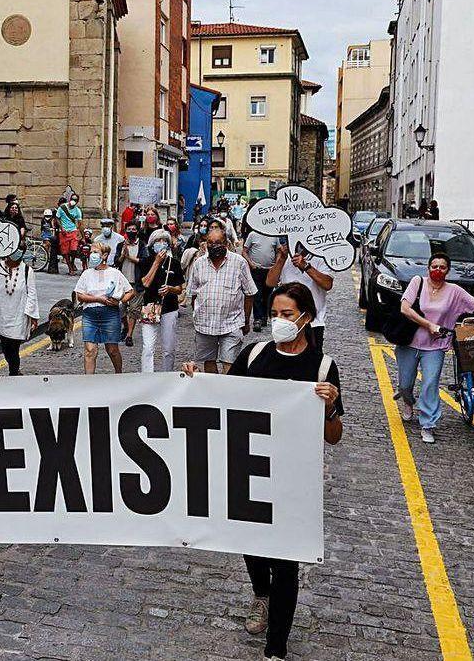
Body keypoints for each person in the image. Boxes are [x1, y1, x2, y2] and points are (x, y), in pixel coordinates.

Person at [184, 282, 343, 661]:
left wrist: (331, 407)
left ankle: (276, 648)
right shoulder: (254, 355)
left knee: (285, 562)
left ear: (306, 317)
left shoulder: (322, 367)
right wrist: (193, 379)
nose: (279, 321)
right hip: (249, 469)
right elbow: (221, 395)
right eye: (274, 314)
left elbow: (334, 437)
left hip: (292, 478)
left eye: (287, 315)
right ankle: (262, 593)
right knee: (251, 546)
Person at [396, 252, 474, 443]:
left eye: (442, 267)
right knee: (405, 385)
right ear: (428, 268)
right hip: (408, 343)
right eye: (434, 267)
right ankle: (408, 402)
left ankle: (428, 425)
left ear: (448, 270)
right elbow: (405, 309)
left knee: (430, 384)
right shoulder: (417, 282)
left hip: (435, 346)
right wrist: (429, 325)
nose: (438, 270)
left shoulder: (454, 291)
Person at [186, 228, 256, 374]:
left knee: (229, 364)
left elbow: (250, 293)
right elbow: (193, 293)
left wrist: (246, 320)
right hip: (205, 324)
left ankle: (226, 394)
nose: (214, 245)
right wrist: (196, 314)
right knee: (209, 361)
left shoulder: (239, 262)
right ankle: (213, 393)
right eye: (210, 242)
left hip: (232, 323)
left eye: (218, 242)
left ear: (226, 243)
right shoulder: (199, 263)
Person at [74, 241, 135, 374]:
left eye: (95, 252)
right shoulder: (86, 274)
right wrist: (98, 299)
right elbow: (80, 295)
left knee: (112, 350)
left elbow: (130, 291)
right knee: (90, 350)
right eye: (91, 252)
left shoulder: (115, 273)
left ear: (105, 255)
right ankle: (89, 383)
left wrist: (119, 302)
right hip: (90, 315)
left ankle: (119, 374)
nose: (92, 255)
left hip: (110, 314)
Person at [266, 242, 337, 348]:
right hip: (286, 320)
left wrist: (306, 266)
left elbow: (327, 284)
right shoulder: (285, 256)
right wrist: (281, 259)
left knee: (311, 360)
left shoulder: (322, 255)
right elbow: (270, 282)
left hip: (313, 322)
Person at [137, 229, 185, 372]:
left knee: (168, 348)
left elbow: (179, 288)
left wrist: (170, 289)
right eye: (158, 241)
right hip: (150, 307)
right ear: (152, 244)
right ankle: (147, 376)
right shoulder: (146, 262)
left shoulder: (174, 263)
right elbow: (145, 283)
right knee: (148, 347)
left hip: (169, 308)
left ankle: (166, 374)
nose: (161, 244)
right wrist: (156, 263)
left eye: (164, 241)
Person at [0, 248, 39, 376]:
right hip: (2, 314)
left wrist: (33, 316)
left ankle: (14, 372)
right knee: (5, 347)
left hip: (19, 315)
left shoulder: (27, 271)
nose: (12, 262)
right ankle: (13, 368)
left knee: (14, 347)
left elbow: (32, 293)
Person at [242, 225, 279, 332]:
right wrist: (251, 264)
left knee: (268, 295)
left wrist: (276, 265)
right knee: (257, 294)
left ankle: (264, 316)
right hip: (256, 270)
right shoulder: (252, 235)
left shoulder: (274, 235)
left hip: (270, 271)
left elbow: (278, 251)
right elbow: (244, 251)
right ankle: (257, 319)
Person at [117, 222, 144, 347]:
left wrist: (130, 257)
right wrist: (123, 255)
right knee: (121, 308)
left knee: (133, 309)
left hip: (136, 283)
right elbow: (117, 262)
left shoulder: (142, 245)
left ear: (137, 231)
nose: (131, 231)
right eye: (129, 229)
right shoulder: (120, 245)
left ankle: (129, 335)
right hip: (123, 282)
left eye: (134, 229)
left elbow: (144, 262)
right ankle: (126, 326)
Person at [56, 194, 83, 275]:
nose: (73, 201)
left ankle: (72, 261)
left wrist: (78, 230)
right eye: (72, 199)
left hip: (73, 231)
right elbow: (57, 218)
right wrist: (61, 228)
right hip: (63, 232)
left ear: (77, 201)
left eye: (75, 200)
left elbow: (79, 222)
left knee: (74, 249)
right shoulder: (62, 208)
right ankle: (70, 268)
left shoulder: (77, 210)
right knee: (66, 252)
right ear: (70, 199)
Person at [39, 209, 60, 273]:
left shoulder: (52, 220)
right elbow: (42, 228)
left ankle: (48, 255)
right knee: (47, 243)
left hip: (51, 234)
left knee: (51, 245)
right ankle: (46, 255)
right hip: (45, 234)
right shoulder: (43, 220)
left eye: (49, 216)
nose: (47, 217)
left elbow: (54, 228)